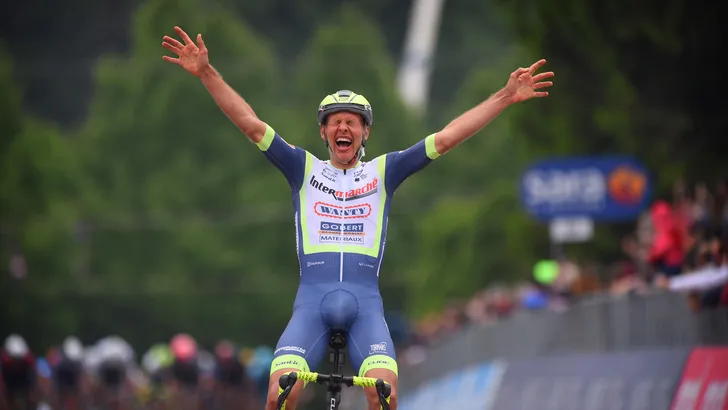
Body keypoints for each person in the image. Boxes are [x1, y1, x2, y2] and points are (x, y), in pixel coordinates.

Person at [161, 26, 554, 410]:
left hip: (364, 305)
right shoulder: (302, 167)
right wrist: (207, 73)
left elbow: (447, 137)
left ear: (365, 133)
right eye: (335, 121)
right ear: (323, 132)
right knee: (280, 395)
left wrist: (504, 96)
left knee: (385, 395)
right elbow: (250, 124)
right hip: (312, 304)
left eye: (352, 121)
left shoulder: (385, 171)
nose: (343, 127)